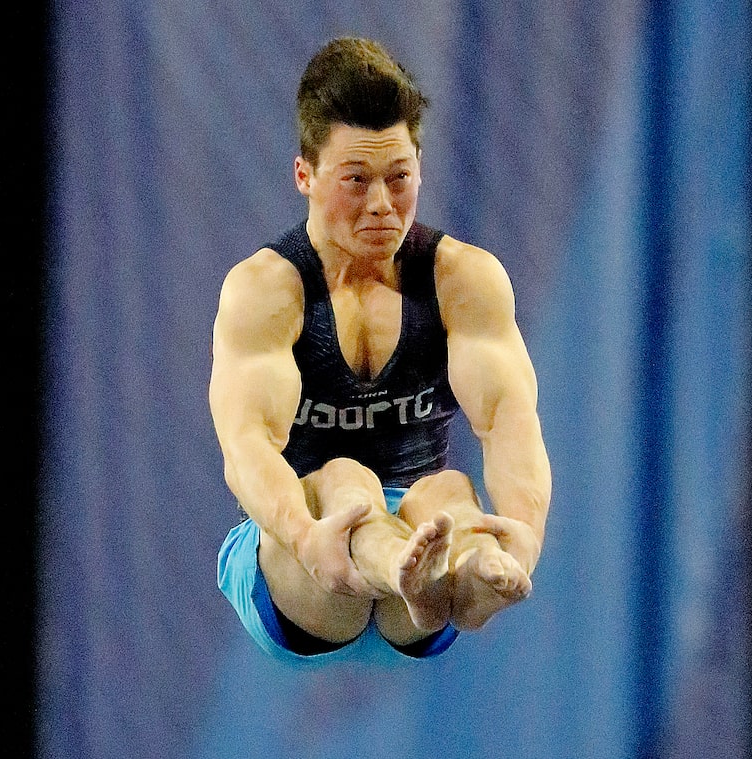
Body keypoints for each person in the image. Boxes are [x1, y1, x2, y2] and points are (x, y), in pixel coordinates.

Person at [210, 37, 551, 665]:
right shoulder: (267, 291)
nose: (381, 206)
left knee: (447, 491)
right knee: (345, 480)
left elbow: (510, 422)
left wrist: (524, 534)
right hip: (302, 558)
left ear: (420, 164)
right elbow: (247, 448)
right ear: (304, 176)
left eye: (399, 179)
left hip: (421, 559)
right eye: (356, 181)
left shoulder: (462, 281)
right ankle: (403, 564)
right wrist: (304, 537)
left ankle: (465, 573)